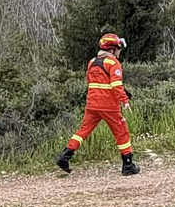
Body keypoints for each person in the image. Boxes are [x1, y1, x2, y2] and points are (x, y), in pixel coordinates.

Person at [56, 33, 140, 176]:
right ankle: (128, 165)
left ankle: (65, 156)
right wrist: (125, 101)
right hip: (109, 106)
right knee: (122, 133)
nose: (119, 52)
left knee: (83, 131)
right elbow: (115, 84)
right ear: (112, 50)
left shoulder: (92, 62)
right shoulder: (113, 63)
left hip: (92, 104)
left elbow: (96, 82)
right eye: (118, 48)